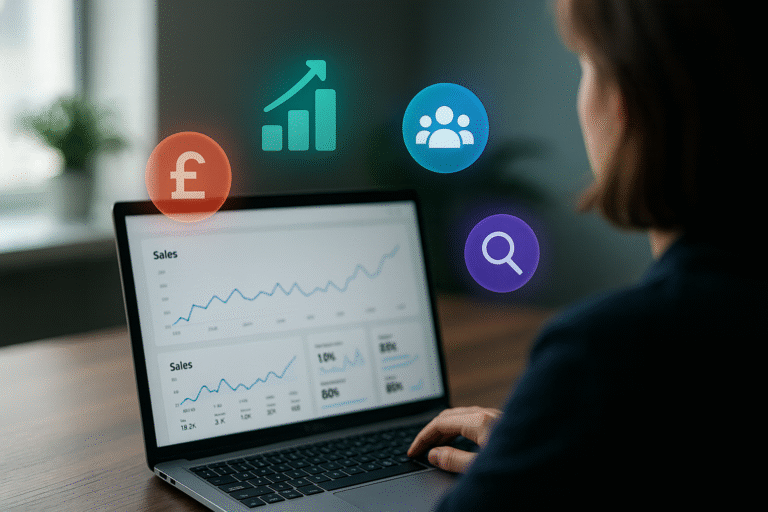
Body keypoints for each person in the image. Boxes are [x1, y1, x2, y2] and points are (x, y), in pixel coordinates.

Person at [407, 0, 764, 507]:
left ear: (629, 101)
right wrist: (542, 446)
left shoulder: (608, 356)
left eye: (586, 63)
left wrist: (560, 423)